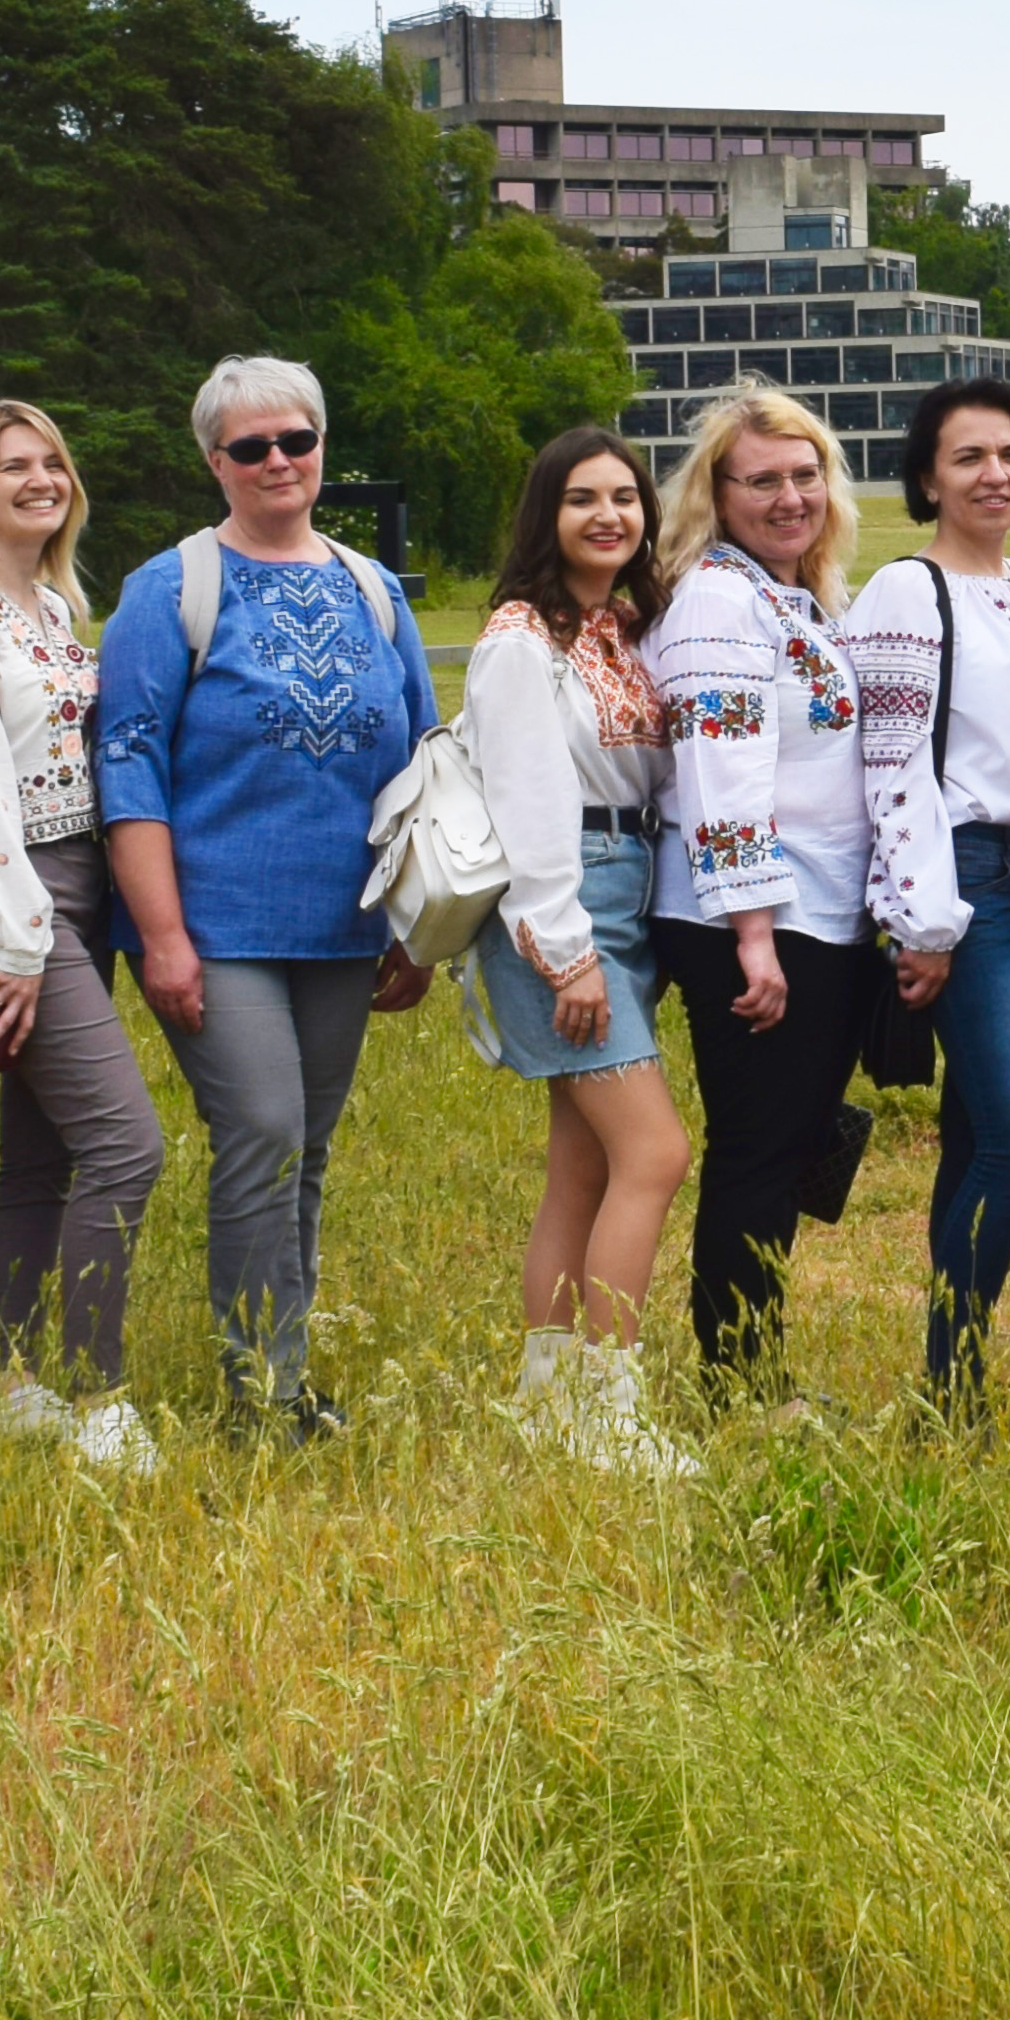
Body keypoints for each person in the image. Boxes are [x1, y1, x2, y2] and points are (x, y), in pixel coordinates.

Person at [96, 356, 440, 1447]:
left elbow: (427, 763)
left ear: (323, 445)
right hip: (212, 926)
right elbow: (129, 766)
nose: (279, 461)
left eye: (296, 439)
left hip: (343, 926)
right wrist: (160, 938)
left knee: (309, 1146)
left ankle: (280, 1375)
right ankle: (262, 1395)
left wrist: (422, 923)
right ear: (214, 460)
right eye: (251, 447)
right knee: (263, 1129)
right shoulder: (170, 589)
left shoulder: (374, 590)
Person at [0, 397, 167, 1474]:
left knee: (41, 1153)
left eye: (53, 461)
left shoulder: (53, 602)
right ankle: (100, 1399)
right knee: (125, 1141)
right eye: (14, 465)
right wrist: (14, 937)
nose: (41, 480)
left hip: (85, 884)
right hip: (20, 899)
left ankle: (8, 1386)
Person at [463, 424, 699, 1478]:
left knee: (584, 1166)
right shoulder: (524, 638)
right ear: (543, 516)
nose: (608, 515)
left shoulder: (618, 628)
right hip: (559, 906)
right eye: (581, 499)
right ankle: (611, 1411)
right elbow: (524, 804)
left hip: (626, 892)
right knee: (654, 1153)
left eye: (624, 498)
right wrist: (566, 952)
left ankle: (548, 1394)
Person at [643, 385, 876, 1399]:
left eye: (804, 474)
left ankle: (754, 1362)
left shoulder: (789, 595)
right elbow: (719, 774)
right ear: (717, 493)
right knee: (755, 1151)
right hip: (749, 921)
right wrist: (752, 934)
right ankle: (736, 1380)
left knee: (785, 1147)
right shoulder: (716, 601)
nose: (789, 496)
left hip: (809, 914)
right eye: (762, 480)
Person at [850, 377, 1010, 1416]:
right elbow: (891, 761)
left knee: (972, 1135)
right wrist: (922, 920)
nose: (995, 473)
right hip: (968, 881)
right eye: (969, 457)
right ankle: (954, 1368)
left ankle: (951, 1392)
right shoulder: (906, 590)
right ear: (928, 476)